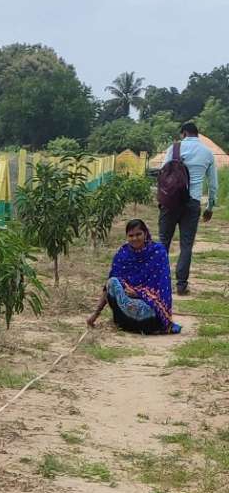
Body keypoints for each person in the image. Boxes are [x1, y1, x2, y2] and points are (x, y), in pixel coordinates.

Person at [87, 219, 181, 334]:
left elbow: (162, 288)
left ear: (145, 233)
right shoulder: (123, 254)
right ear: (127, 237)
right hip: (126, 303)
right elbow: (108, 287)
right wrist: (95, 315)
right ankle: (126, 323)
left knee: (146, 310)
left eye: (138, 234)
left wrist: (139, 293)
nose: (135, 238)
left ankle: (142, 326)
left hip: (149, 307)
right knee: (112, 282)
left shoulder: (158, 252)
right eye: (131, 235)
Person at [158, 121, 218, 295]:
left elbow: (163, 173)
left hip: (170, 202)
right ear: (197, 134)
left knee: (163, 242)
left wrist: (161, 199)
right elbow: (213, 184)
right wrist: (210, 206)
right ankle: (181, 285)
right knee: (186, 245)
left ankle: (160, 282)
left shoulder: (174, 148)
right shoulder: (207, 153)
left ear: (184, 133)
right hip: (192, 203)